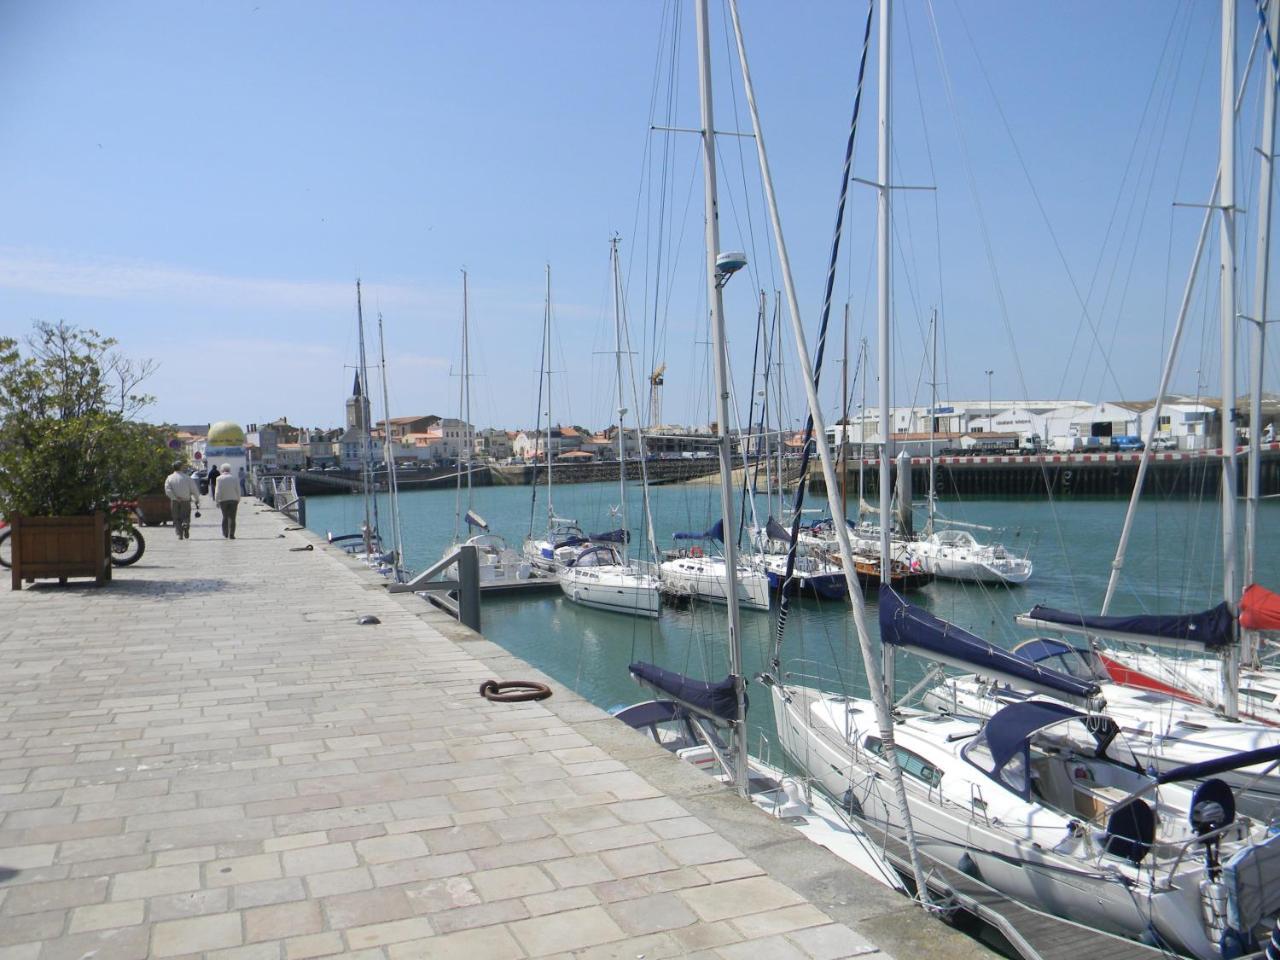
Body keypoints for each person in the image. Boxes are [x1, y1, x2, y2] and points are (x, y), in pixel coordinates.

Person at [163, 461, 200, 539]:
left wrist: (175, 497)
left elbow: (167, 490)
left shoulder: (169, 478)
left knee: (176, 517)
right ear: (181, 467)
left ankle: (180, 534)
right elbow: (194, 490)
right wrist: (197, 499)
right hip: (186, 500)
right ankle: (185, 524)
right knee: (186, 516)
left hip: (175, 501)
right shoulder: (187, 478)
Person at [214, 463, 242, 539]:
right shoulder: (234, 478)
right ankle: (232, 534)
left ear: (222, 470)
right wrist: (238, 498)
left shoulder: (219, 478)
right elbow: (238, 490)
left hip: (223, 500)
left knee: (225, 516)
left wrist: (217, 501)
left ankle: (225, 533)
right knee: (233, 518)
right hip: (233, 500)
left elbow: (217, 491)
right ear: (229, 470)